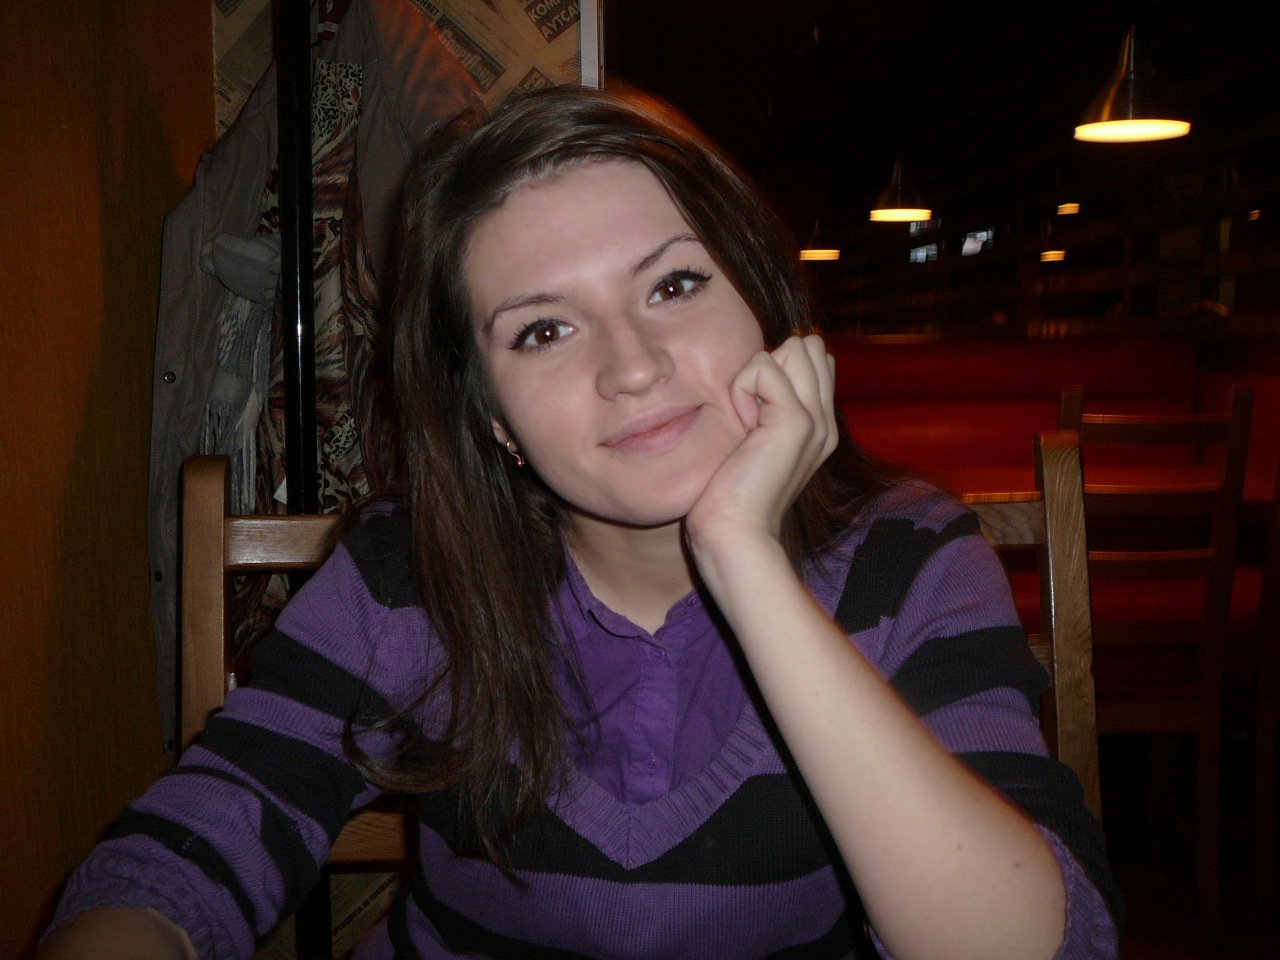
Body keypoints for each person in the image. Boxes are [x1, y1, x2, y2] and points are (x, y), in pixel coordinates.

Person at [41, 86, 1122, 960]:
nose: (633, 367)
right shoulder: (408, 575)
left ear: (764, 309)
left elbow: (1037, 945)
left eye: (674, 286)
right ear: (492, 419)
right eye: (544, 331)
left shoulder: (911, 556)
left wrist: (742, 558)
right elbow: (187, 853)